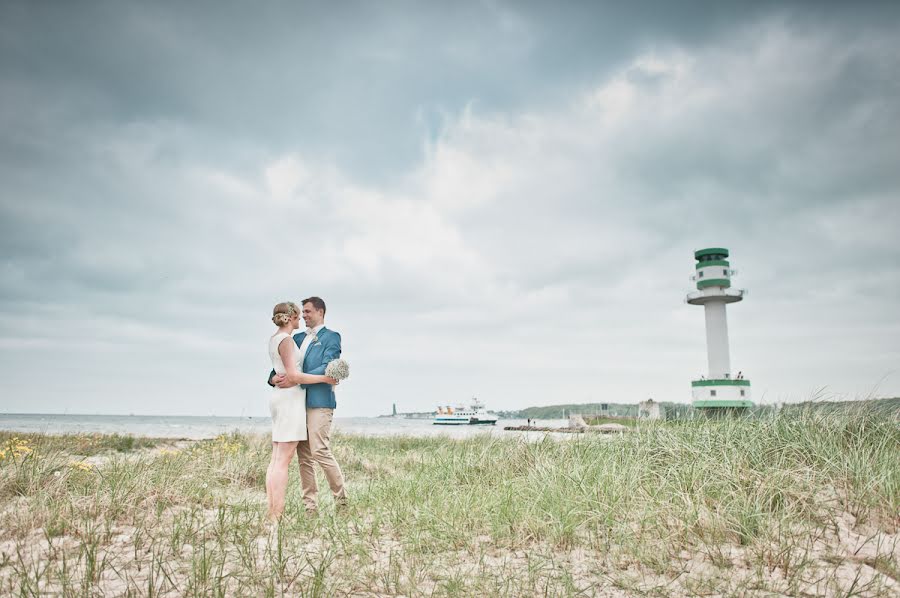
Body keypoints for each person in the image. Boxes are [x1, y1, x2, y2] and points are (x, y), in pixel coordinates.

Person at [269, 296, 347, 512]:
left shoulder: (332, 337)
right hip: (295, 403)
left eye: (308, 312)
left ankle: (341, 501)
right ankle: (310, 507)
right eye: (302, 312)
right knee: (303, 457)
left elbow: (328, 367)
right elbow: (285, 363)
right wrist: (273, 378)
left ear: (320, 312)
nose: (303, 315)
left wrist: (296, 377)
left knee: (320, 450)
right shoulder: (297, 337)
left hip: (319, 401)